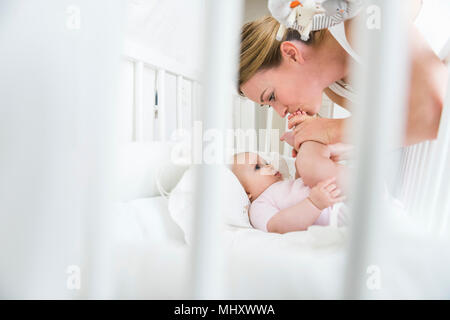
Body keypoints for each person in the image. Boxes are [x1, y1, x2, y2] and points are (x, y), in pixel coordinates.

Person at [238, 4, 447, 152]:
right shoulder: (336, 88)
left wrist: (331, 131)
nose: (281, 112)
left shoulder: (362, 21)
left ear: (292, 54)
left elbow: (434, 115)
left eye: (271, 96)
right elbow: (391, 128)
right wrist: (336, 148)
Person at [231, 142, 348, 233]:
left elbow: (298, 188)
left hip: (342, 195)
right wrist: (314, 204)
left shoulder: (285, 184)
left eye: (266, 162)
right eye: (257, 167)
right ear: (247, 193)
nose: (270, 166)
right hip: (335, 215)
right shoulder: (259, 205)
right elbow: (277, 226)